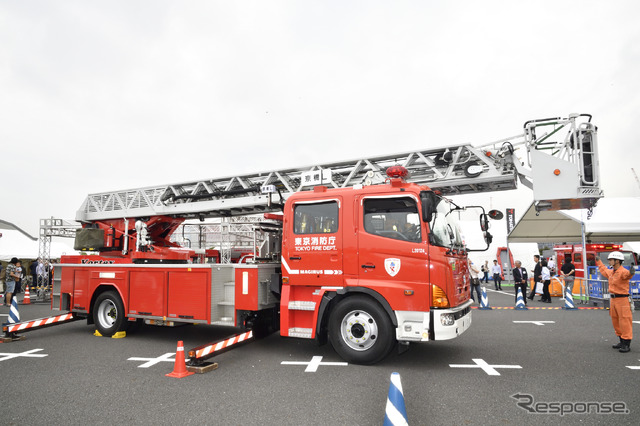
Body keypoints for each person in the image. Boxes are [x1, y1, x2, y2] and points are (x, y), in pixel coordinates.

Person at [596, 252, 635, 353]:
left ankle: (626, 343)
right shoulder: (612, 272)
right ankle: (621, 340)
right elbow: (604, 270)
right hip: (613, 300)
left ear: (617, 261)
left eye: (610, 259)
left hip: (622, 300)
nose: (609, 261)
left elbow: (628, 275)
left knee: (624, 321)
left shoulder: (623, 271)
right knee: (615, 320)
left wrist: (631, 273)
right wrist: (598, 261)